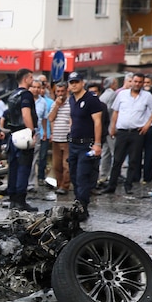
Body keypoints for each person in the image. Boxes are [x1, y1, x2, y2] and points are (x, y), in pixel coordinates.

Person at [104, 73, 152, 195]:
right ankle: (111, 185)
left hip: (137, 132)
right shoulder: (122, 95)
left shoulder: (147, 96)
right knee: (117, 159)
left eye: (140, 82)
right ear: (131, 81)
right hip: (122, 131)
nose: (137, 84)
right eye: (135, 81)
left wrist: (147, 125)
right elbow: (115, 112)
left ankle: (128, 185)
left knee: (134, 160)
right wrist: (112, 127)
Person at [65, 72, 103, 218]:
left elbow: (97, 121)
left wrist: (97, 143)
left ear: (82, 83)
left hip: (86, 145)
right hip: (73, 144)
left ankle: (82, 207)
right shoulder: (71, 99)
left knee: (82, 176)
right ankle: (77, 203)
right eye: (71, 82)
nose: (73, 85)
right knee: (74, 176)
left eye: (76, 82)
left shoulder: (91, 99)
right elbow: (73, 119)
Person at [0, 68, 38, 212]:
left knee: (14, 168)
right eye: (31, 78)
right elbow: (26, 113)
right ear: (27, 78)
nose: (32, 81)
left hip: (13, 135)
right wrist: (31, 131)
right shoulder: (26, 95)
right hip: (24, 134)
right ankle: (21, 201)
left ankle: (13, 199)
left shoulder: (12, 95)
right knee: (24, 167)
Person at [48, 81, 71, 194]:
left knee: (66, 164)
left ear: (67, 91)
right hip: (56, 138)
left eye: (62, 91)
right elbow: (51, 118)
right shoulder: (54, 104)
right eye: (58, 91)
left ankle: (65, 186)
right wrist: (57, 105)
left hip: (67, 139)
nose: (60, 94)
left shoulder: (71, 103)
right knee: (56, 164)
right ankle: (59, 184)